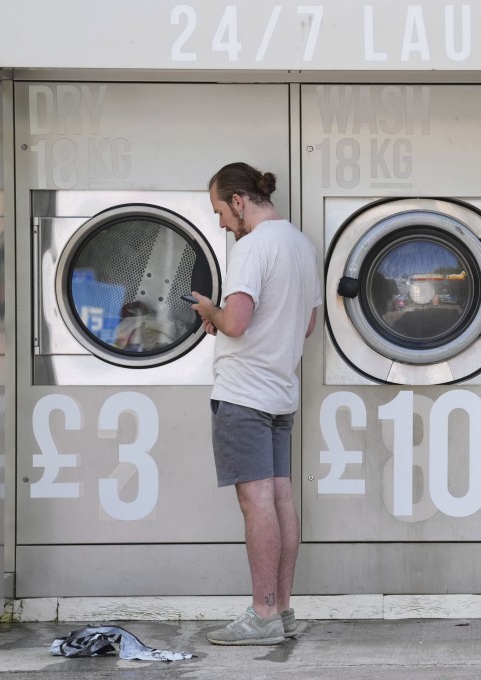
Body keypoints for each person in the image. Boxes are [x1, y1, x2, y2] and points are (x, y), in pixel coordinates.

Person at [190, 162, 321, 646]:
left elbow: (238, 322)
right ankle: (282, 609)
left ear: (239, 202)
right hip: (281, 393)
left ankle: (261, 614)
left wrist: (210, 311)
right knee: (280, 499)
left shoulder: (252, 249)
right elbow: (304, 325)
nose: (222, 222)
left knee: (256, 502)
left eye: (221, 211)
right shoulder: (302, 246)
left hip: (243, 394)